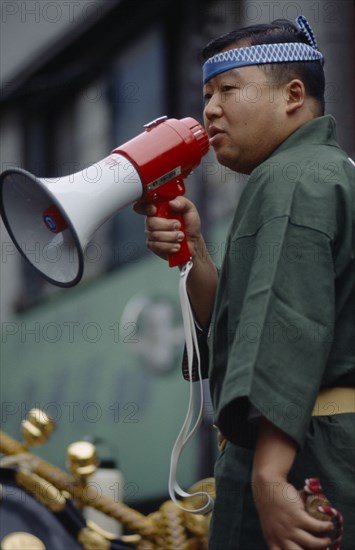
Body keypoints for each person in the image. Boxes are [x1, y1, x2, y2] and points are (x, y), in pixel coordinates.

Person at [136, 15, 355, 550]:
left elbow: (288, 325)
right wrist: (197, 248)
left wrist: (269, 477)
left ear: (293, 95)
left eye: (229, 90)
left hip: (303, 454)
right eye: (207, 94)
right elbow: (236, 322)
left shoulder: (288, 178)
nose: (210, 109)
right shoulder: (329, 170)